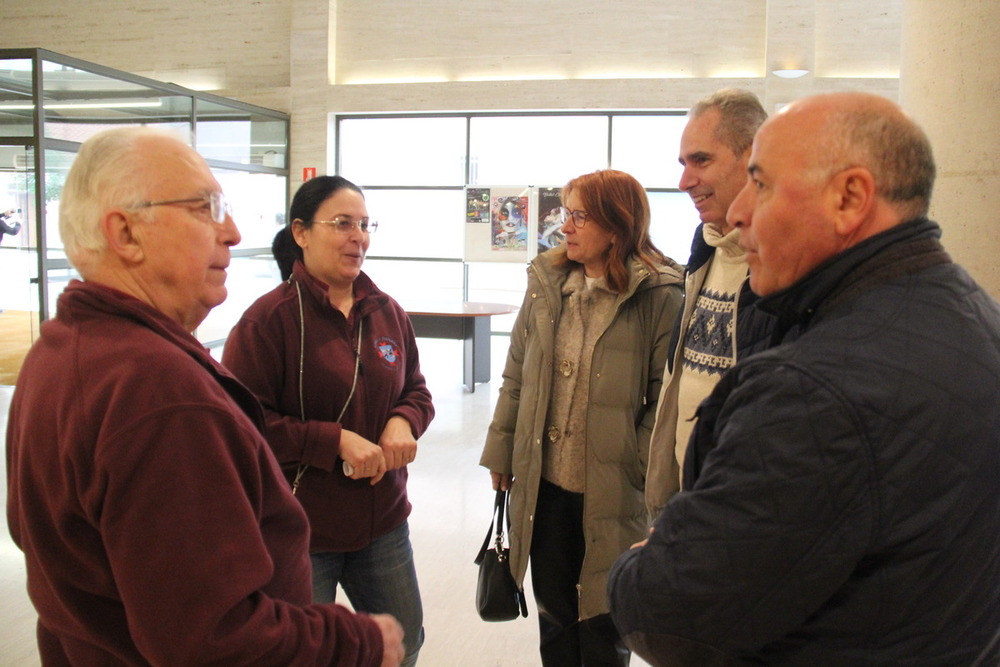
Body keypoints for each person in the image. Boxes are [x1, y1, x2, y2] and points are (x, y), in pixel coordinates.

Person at [608, 92, 1000, 665]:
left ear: (850, 198)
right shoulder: (976, 317)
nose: (741, 213)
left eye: (761, 185)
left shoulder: (813, 391)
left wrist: (639, 561)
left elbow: (668, 614)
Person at [5, 127, 404, 666]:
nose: (234, 233)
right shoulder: (158, 392)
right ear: (124, 233)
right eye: (205, 208)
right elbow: (216, 639)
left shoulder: (63, 350)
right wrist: (358, 641)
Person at [222, 175, 434, 667]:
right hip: (301, 531)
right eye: (342, 224)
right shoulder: (266, 322)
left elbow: (417, 389)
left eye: (364, 224)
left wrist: (404, 420)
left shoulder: (388, 313)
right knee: (306, 657)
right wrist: (331, 440)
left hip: (383, 522)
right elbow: (243, 426)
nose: (358, 236)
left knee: (405, 645)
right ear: (300, 232)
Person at [481, 169, 684, 666]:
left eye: (577, 216)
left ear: (616, 226)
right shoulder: (548, 286)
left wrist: (634, 464)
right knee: (555, 618)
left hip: (612, 489)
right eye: (563, 213)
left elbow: (665, 400)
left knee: (603, 623)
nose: (563, 227)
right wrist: (503, 451)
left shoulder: (659, 295)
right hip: (546, 484)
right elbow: (516, 375)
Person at [644, 89, 776, 518]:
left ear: (754, 156)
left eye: (701, 160)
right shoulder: (706, 248)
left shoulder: (784, 273)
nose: (684, 182)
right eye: (683, 165)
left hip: (741, 518)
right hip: (687, 505)